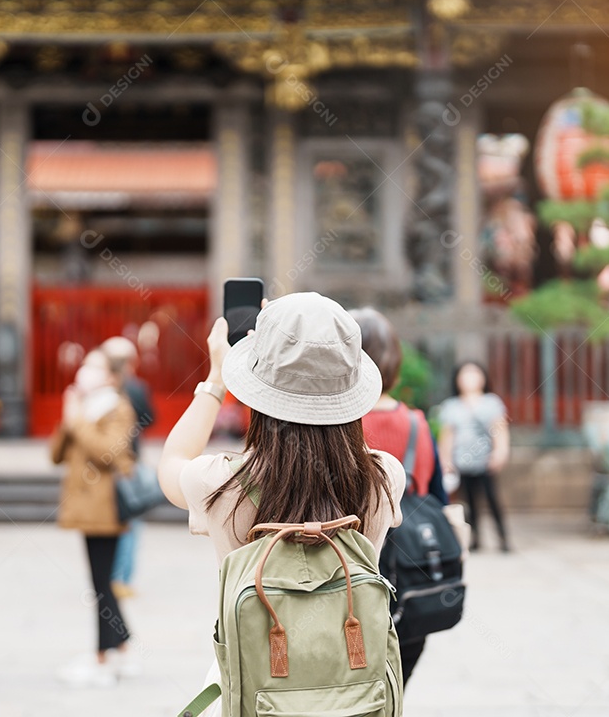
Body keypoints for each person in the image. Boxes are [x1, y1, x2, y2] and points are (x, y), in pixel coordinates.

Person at [157, 293, 407, 716]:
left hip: (258, 694)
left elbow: (170, 464)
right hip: (357, 698)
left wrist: (218, 377)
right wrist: (317, 365)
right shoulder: (383, 477)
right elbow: (343, 434)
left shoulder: (221, 483)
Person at [350, 307, 447, 686]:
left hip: (351, 583)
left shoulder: (337, 426)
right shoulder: (418, 424)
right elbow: (437, 496)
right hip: (411, 583)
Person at [51, 349, 138, 688]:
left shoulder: (118, 407)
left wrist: (76, 420)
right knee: (100, 583)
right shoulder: (83, 409)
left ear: (112, 376)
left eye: (95, 366)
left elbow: (108, 453)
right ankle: (122, 647)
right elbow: (55, 455)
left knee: (102, 584)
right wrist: (67, 416)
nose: (85, 370)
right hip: (84, 507)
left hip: (106, 508)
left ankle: (104, 657)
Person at [100, 336, 154, 599]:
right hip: (128, 461)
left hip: (115, 465)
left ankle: (113, 577)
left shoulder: (109, 391)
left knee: (122, 520)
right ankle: (122, 578)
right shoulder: (136, 387)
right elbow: (149, 418)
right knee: (130, 522)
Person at [438, 361, 511, 552]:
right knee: (468, 502)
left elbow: (499, 429)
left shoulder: (492, 403)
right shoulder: (451, 406)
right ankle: (475, 538)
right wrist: (445, 460)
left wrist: (500, 452)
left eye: (474, 373)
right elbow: (447, 435)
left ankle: (503, 537)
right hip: (461, 461)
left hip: (486, 461)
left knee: (492, 499)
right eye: (465, 374)